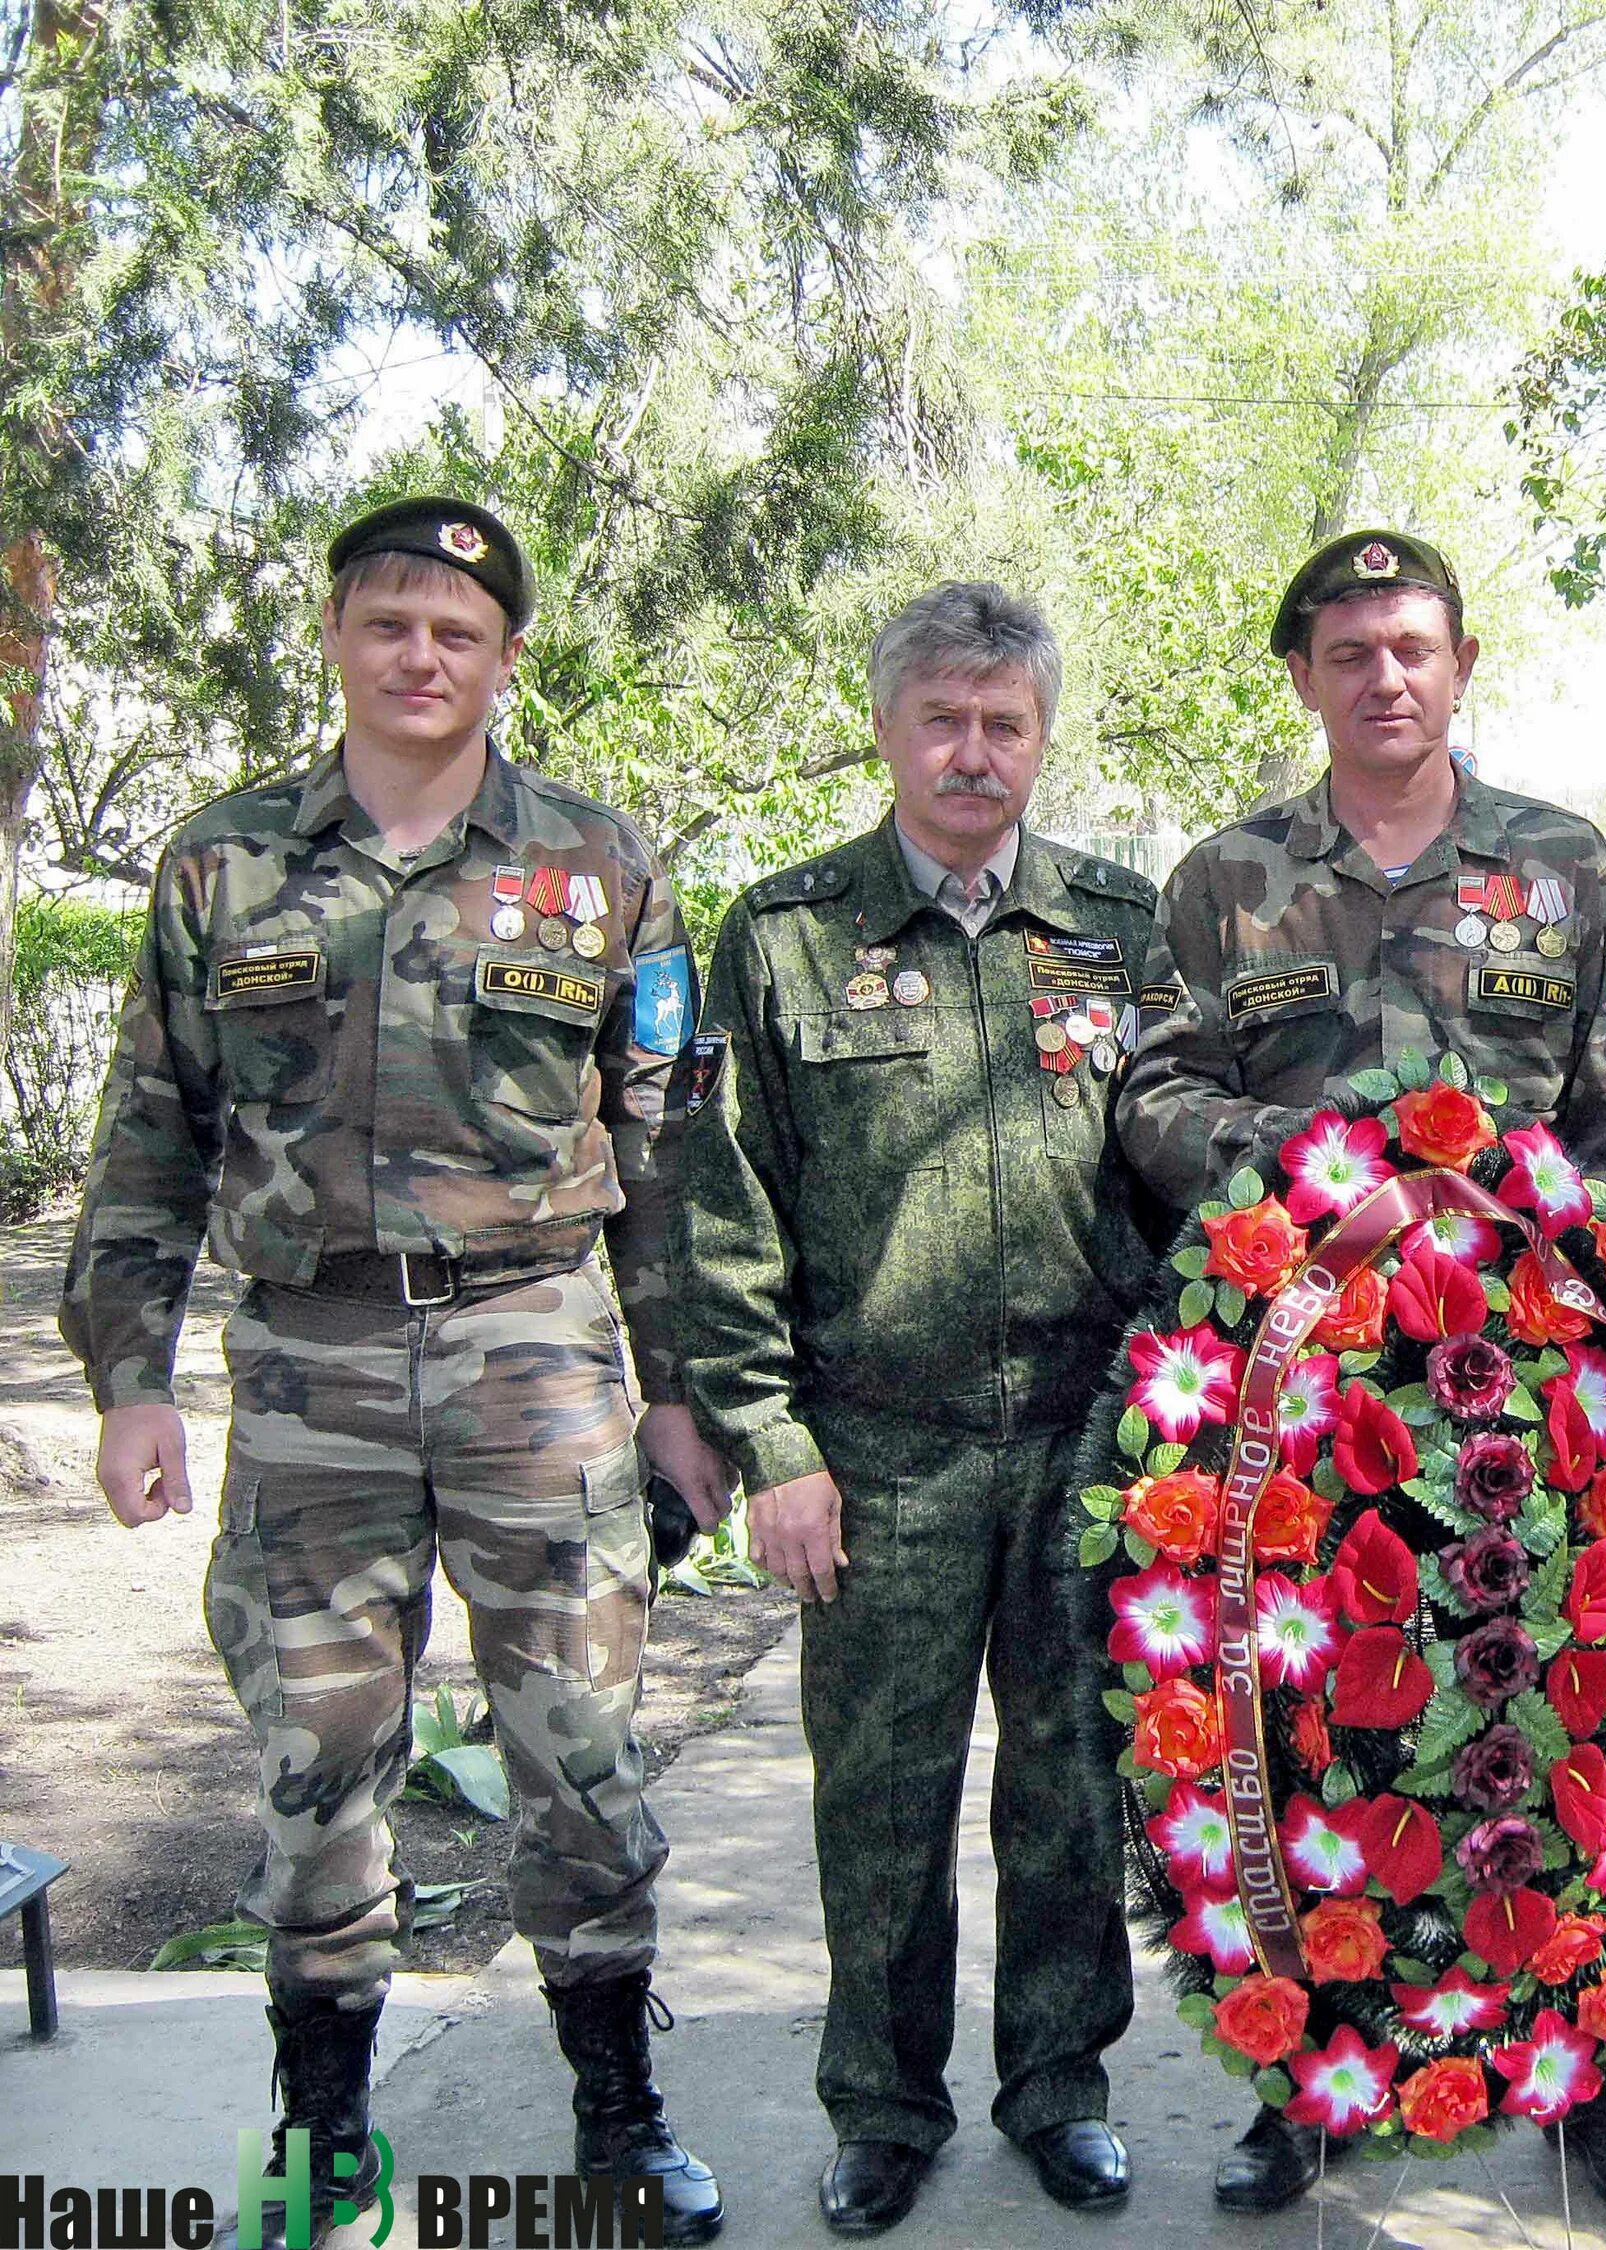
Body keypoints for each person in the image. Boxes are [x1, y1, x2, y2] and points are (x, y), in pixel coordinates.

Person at [62, 496, 728, 2247]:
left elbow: (662, 1155)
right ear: (341, 640)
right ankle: (329, 2124)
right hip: (309, 1358)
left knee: (580, 1747)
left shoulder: (600, 868)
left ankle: (618, 2110)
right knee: (318, 1753)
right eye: (389, 622)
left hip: (537, 1349)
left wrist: (679, 1391)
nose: (421, 654)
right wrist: (131, 1373)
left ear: (506, 658)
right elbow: (150, 1131)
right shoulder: (227, 862)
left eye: (457, 629)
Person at [1114, 528, 1606, 2218]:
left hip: (1531, 1398)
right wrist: (1304, 1162)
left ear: (1459, 664)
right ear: (1303, 676)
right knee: (1308, 1730)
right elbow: (1152, 1097)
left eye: (1415, 646)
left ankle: (1593, 2069)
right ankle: (1311, 2074)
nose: (1386, 675)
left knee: (1562, 1712)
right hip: (1299, 1403)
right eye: (1350, 649)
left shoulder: (1563, 862)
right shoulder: (1229, 880)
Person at [675, 584, 1158, 2236]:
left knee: (1074, 1784)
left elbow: (1177, 1189)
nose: (973, 752)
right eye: (942, 718)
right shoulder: (788, 931)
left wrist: (1181, 1427)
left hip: (1092, 1441)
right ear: (886, 726)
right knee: (878, 1797)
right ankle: (883, 2102)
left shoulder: (1119, 926)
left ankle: (1060, 2087)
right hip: (875, 1449)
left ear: (1041, 738)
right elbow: (723, 1207)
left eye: (1004, 723)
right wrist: (772, 1446)